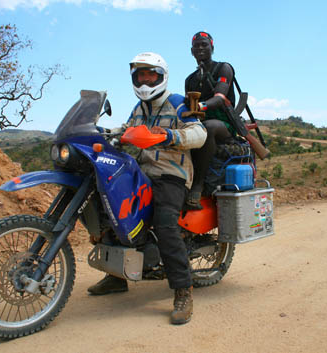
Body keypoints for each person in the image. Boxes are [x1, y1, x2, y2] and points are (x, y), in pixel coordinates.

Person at [88, 52, 207, 325]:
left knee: (165, 224)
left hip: (171, 174)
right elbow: (125, 130)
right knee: (111, 209)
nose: (144, 80)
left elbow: (199, 134)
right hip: (141, 172)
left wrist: (169, 136)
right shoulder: (138, 110)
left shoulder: (177, 103)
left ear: (161, 77)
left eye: (150, 74)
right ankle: (117, 278)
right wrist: (103, 133)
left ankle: (183, 290)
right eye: (140, 75)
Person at [185, 31, 237, 209]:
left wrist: (201, 106)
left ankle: (197, 185)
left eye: (204, 45)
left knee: (208, 127)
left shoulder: (223, 68)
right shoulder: (190, 79)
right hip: (198, 124)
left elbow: (220, 97)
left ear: (212, 48)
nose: (200, 48)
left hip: (224, 124)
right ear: (191, 51)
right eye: (197, 46)